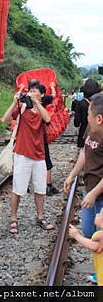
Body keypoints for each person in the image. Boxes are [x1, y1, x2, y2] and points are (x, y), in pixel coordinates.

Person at [0, 81, 53, 234]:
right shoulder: (22, 108)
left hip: (39, 155)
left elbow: (48, 119)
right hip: (22, 154)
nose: (31, 92)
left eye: (35, 91)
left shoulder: (42, 110)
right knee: (18, 189)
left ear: (41, 94)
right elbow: (6, 118)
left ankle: (40, 217)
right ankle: (13, 218)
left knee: (40, 189)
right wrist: (14, 103)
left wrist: (36, 103)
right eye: (30, 90)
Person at [64, 92, 103, 284]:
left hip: (100, 195)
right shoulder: (91, 128)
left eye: (88, 114)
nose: (86, 117)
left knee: (100, 237)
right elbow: (84, 154)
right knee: (89, 232)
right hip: (90, 190)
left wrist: (95, 193)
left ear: (99, 118)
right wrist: (72, 175)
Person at [69, 209, 103, 285]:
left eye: (99, 215)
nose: (97, 214)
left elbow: (94, 246)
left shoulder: (100, 235)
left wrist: (77, 236)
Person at [38, 83, 59, 196]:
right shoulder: (44, 99)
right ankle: (48, 186)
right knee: (46, 160)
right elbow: (54, 95)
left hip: (29, 137)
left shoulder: (26, 101)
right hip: (41, 135)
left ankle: (27, 185)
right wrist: (51, 86)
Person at [74, 79, 100, 152]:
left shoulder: (80, 103)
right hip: (99, 137)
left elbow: (76, 123)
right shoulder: (100, 103)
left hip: (83, 137)